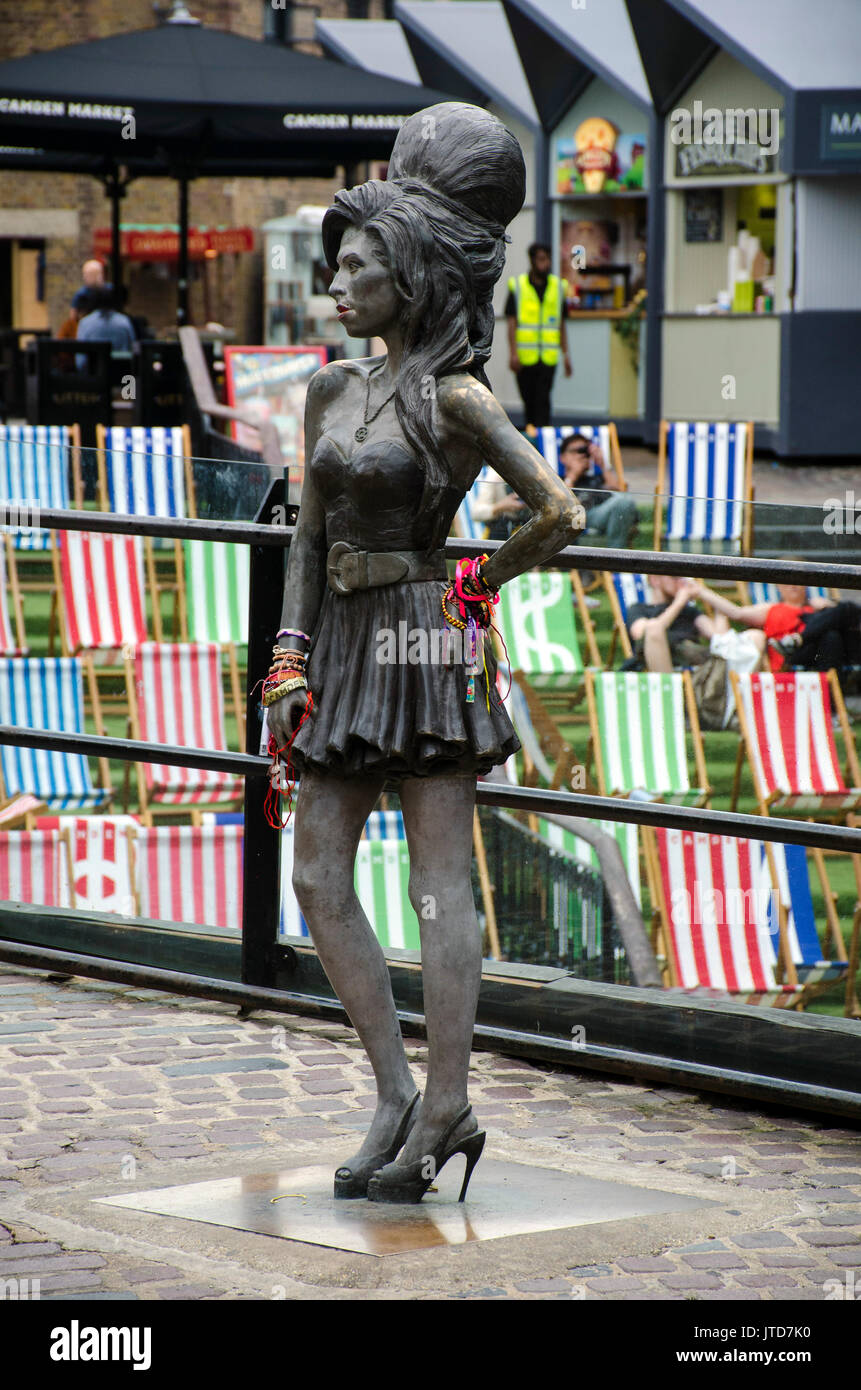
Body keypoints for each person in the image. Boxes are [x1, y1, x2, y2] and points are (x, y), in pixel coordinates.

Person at [265, 102, 585, 1207]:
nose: (338, 284)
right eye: (336, 266)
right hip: (344, 645)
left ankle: (446, 1103)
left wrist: (477, 581)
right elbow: (306, 537)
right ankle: (397, 1090)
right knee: (316, 872)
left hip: (423, 637)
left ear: (410, 276)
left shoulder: (456, 396)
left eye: (359, 267)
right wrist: (286, 658)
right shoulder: (328, 388)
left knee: (440, 886)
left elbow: (558, 510)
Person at [685, 578, 861, 690]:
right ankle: (831, 708)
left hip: (827, 651)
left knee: (838, 624)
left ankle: (797, 639)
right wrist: (701, 592)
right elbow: (736, 613)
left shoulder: (819, 607)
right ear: (778, 586)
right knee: (837, 626)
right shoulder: (771, 609)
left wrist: (828, 606)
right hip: (793, 657)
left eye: (799, 581)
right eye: (788, 581)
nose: (793, 585)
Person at [505, 242, 571, 430]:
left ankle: (543, 439)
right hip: (525, 358)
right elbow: (512, 323)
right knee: (529, 401)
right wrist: (513, 353)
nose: (546, 264)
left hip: (548, 356)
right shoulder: (518, 286)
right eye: (542, 259)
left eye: (548, 259)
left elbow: (561, 324)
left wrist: (566, 355)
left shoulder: (558, 288)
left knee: (543, 400)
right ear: (532, 261)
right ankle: (533, 437)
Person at [627, 574, 724, 672]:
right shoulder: (639, 609)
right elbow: (641, 634)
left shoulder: (689, 611)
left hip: (693, 663)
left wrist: (704, 593)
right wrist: (679, 603)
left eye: (682, 577)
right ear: (655, 579)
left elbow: (721, 639)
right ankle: (668, 685)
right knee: (653, 629)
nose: (681, 581)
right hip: (662, 657)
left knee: (723, 653)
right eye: (674, 577)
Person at [559, 432, 638, 550]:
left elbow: (619, 494)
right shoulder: (557, 480)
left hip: (602, 514)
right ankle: (616, 560)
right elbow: (559, 505)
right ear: (563, 458)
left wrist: (603, 464)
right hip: (578, 518)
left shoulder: (596, 477)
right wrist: (573, 475)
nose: (581, 455)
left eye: (584, 451)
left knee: (623, 502)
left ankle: (615, 558)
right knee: (623, 502)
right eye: (575, 451)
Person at [75, 285, 136, 367]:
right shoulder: (124, 322)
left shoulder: (85, 323)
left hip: (93, 375)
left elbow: (80, 361)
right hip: (121, 374)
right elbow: (132, 349)